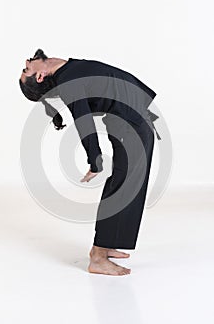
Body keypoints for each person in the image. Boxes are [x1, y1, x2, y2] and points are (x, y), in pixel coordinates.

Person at [19, 49, 161, 276]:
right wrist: (94, 160)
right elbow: (83, 121)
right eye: (26, 68)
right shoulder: (68, 83)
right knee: (125, 187)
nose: (26, 61)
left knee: (128, 185)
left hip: (134, 120)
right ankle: (98, 256)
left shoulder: (68, 68)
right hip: (129, 127)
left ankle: (107, 244)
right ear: (39, 77)